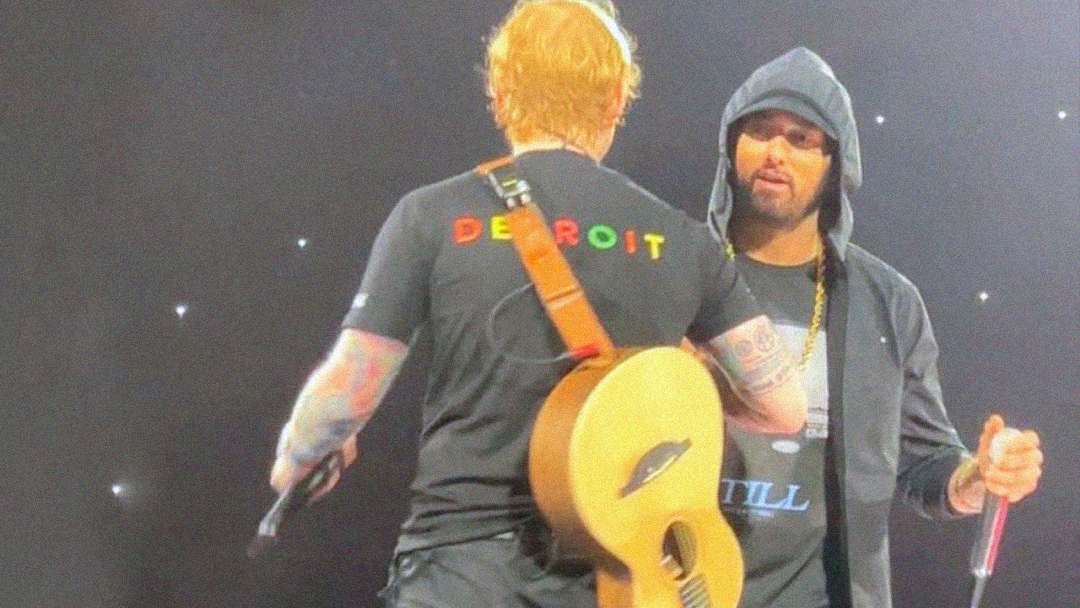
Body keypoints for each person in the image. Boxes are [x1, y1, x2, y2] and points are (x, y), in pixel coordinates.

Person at [268, 3, 808, 607]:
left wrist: (302, 453)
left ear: (501, 93)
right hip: (614, 579)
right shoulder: (683, 241)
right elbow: (785, 407)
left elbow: (347, 393)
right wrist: (675, 379)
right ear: (613, 102)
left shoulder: (433, 216)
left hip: (461, 573)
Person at [704, 47, 1045, 608]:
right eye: (760, 130)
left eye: (801, 139)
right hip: (678, 588)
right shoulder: (679, 272)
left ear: (836, 163)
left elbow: (927, 466)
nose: (776, 151)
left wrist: (979, 477)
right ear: (732, 144)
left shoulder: (885, 303)